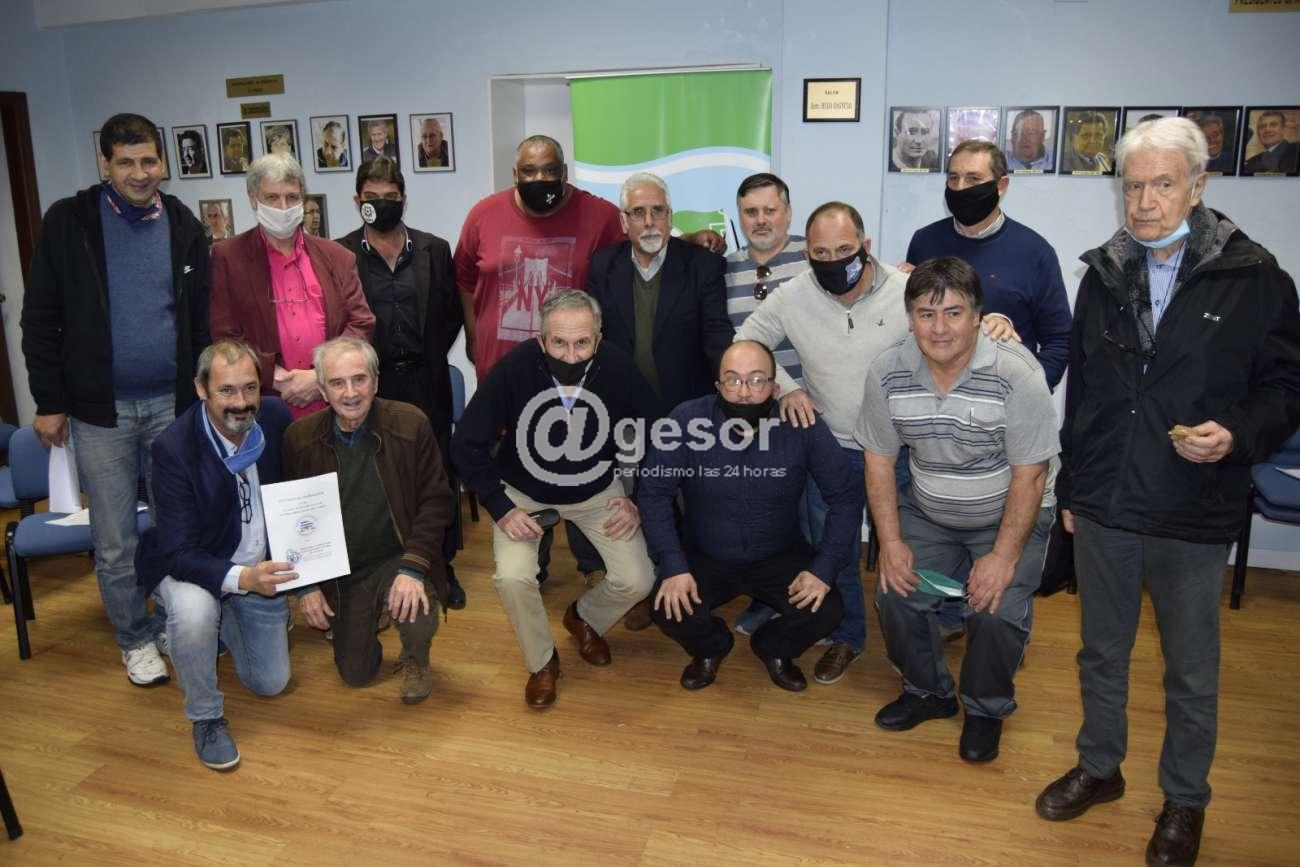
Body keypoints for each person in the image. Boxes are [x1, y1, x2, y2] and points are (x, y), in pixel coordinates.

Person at [1036, 117, 1300, 867]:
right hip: (1108, 502)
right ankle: (1100, 766)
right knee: (1100, 651)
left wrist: (1237, 433)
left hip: (1194, 500)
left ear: (1197, 186)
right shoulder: (1102, 276)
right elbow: (1085, 395)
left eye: (1162, 184)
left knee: (1189, 668)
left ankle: (1185, 799)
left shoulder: (1255, 278)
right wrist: (1074, 488)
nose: (1145, 202)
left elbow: (1287, 388)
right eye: (1133, 186)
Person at [21, 112, 210, 686]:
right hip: (101, 412)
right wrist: (49, 401)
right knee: (114, 539)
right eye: (126, 162)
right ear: (104, 163)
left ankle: (180, 624)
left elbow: (198, 321)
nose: (139, 173)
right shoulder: (70, 222)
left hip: (172, 406)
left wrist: (201, 393)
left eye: (149, 160)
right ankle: (135, 637)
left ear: (164, 162)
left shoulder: (183, 224)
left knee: (179, 525)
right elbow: (40, 319)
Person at [859, 256, 1058, 764]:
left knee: (993, 611)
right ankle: (928, 692)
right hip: (930, 510)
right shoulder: (887, 371)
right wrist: (891, 543)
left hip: (1008, 510)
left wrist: (1003, 557)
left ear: (977, 316)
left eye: (953, 312)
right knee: (897, 593)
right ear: (910, 319)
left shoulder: (1017, 373)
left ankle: (986, 708)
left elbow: (1031, 475)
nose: (940, 328)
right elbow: (879, 461)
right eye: (926, 314)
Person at [451, 290, 658, 709]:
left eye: (582, 343)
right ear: (541, 339)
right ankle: (542, 662)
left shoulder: (618, 367)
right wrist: (501, 508)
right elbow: (466, 444)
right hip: (522, 493)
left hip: (596, 489)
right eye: (559, 343)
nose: (571, 354)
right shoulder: (514, 369)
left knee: (638, 579)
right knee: (513, 577)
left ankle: (584, 618)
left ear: (598, 339)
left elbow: (658, 437)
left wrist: (637, 498)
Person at [735, 202, 911, 686]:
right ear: (806, 254)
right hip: (830, 450)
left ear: (866, 246)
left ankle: (912, 644)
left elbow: (949, 334)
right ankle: (847, 636)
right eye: (821, 253)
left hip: (897, 452)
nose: (833, 261)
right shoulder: (794, 295)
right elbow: (746, 342)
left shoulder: (904, 290)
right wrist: (787, 388)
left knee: (904, 553)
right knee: (834, 552)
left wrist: (996, 319)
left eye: (844, 249)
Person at [640, 340, 862, 691]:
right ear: (718, 385)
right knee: (666, 606)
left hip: (779, 552)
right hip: (706, 553)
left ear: (775, 387)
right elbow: (653, 493)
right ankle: (711, 648)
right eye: (733, 379)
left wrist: (824, 568)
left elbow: (846, 495)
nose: (744, 392)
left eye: (757, 380)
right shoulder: (686, 419)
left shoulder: (800, 424)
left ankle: (773, 648)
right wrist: (672, 564)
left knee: (828, 609)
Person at [135, 340, 293, 771]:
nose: (241, 402)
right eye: (226, 390)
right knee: (194, 613)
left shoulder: (275, 419)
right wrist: (244, 579)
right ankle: (205, 716)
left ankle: (218, 628)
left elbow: (296, 497)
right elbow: (179, 551)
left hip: (254, 565)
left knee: (271, 683)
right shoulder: (173, 448)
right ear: (201, 389)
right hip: (192, 565)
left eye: (249, 388)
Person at [585, 171, 733, 628]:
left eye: (658, 211)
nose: (649, 221)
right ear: (623, 220)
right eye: (638, 212)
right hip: (625, 412)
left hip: (686, 409)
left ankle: (689, 585)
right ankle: (646, 587)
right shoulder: (602, 265)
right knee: (638, 498)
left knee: (691, 502)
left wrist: (731, 387)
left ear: (670, 216)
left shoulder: (702, 265)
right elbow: (593, 337)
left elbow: (716, 333)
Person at [283, 337, 455, 704]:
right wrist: (307, 586)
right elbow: (293, 520)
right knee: (356, 674)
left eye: (359, 379)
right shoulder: (299, 439)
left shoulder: (410, 423)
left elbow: (436, 501)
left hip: (397, 555)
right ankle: (370, 614)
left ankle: (415, 659)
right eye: (337, 383)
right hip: (343, 571)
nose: (350, 393)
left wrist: (413, 568)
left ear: (375, 382)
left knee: (415, 603)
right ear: (322, 390)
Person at [336, 156, 468, 610]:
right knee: (379, 474)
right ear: (358, 200)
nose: (383, 204)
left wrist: (425, 354)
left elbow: (451, 314)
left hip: (426, 380)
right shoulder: (339, 254)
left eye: (391, 197)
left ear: (404, 199)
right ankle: (386, 566)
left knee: (435, 474)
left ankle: (441, 565)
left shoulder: (435, 249)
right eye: (373, 197)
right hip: (372, 385)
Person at [209, 152, 375, 420]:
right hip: (265, 402)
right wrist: (273, 376)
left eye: (292, 197)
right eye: (272, 198)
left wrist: (321, 376)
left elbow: (361, 322)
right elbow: (225, 334)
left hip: (333, 403)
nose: (283, 207)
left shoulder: (338, 256)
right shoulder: (228, 257)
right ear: (253, 198)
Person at [906, 139, 1071, 390]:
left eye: (973, 179)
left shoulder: (1035, 252)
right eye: (953, 178)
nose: (960, 188)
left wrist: (1026, 394)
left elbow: (1059, 341)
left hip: (1005, 399)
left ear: (1001, 185)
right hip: (934, 398)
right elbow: (913, 325)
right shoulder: (924, 241)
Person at [724, 173, 813, 636]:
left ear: (788, 213)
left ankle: (807, 601)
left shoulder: (814, 258)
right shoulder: (726, 268)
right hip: (749, 412)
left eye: (770, 210)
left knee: (806, 512)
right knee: (763, 510)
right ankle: (770, 596)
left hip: (805, 409)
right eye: (751, 212)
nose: (761, 220)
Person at [1242, 109, 1299, 176]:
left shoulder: (1296, 151)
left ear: (1283, 129)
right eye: (1262, 127)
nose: (1267, 129)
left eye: (1273, 125)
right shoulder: (1251, 162)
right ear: (1258, 133)